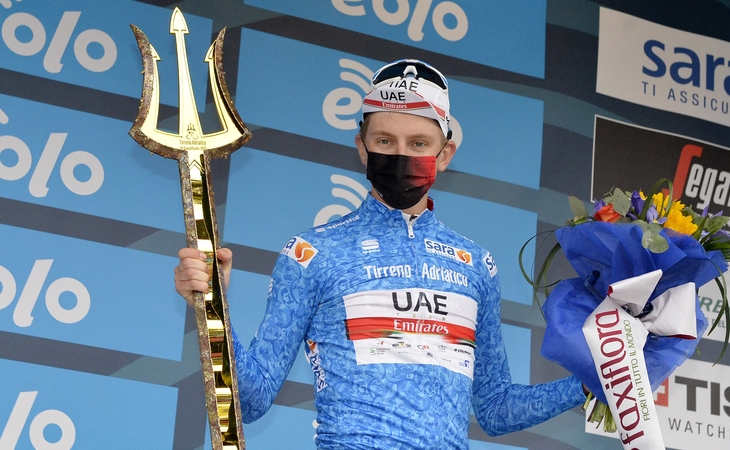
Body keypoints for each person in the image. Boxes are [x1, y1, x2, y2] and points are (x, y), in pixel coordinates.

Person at [174, 59, 587, 449]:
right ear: (362, 147)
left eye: (419, 143)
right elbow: (250, 399)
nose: (401, 155)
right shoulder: (313, 254)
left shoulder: (476, 265)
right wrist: (213, 306)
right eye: (385, 141)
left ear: (445, 154)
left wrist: (593, 382)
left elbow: (495, 409)